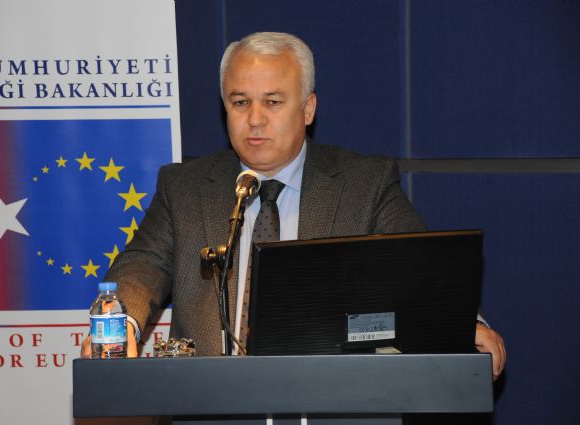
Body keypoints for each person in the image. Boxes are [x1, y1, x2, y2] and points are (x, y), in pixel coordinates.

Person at [81, 31, 506, 380]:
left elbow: (421, 267)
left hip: (333, 402)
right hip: (208, 405)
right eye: (240, 102)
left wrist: (464, 325)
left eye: (272, 101)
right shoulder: (185, 188)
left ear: (307, 109)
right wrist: (120, 325)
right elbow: (141, 267)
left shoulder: (364, 184)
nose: (255, 119)